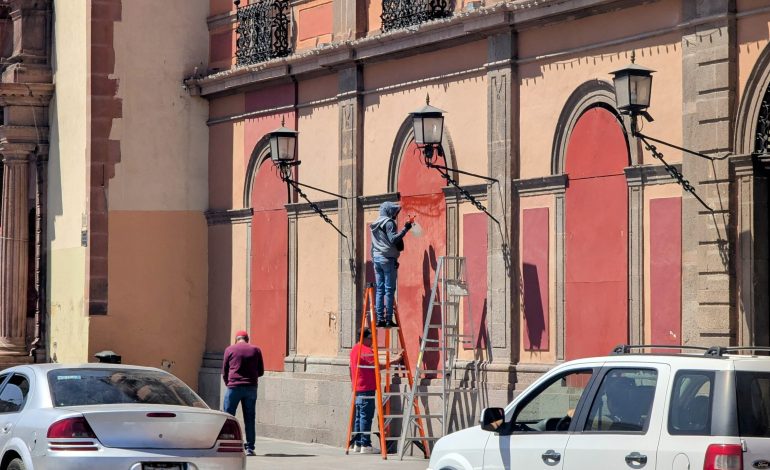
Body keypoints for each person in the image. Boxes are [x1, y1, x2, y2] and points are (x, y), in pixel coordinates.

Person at [349, 327, 401, 454]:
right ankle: (365, 444)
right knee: (365, 417)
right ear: (366, 338)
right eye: (371, 339)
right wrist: (394, 361)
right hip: (367, 387)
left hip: (358, 387)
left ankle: (357, 443)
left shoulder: (354, 349)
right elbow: (377, 366)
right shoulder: (366, 350)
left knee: (358, 416)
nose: (373, 341)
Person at [370, 201, 412, 328]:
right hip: (387, 259)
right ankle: (388, 319)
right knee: (389, 290)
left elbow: (375, 245)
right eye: (393, 212)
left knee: (380, 290)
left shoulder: (375, 224)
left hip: (377, 259)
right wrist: (406, 229)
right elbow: (393, 239)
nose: (394, 215)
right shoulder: (388, 223)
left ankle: (379, 319)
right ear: (389, 211)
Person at [222, 330, 265, 456]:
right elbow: (261, 371)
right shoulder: (256, 350)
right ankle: (250, 448)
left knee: (228, 417)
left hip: (233, 387)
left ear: (236, 339)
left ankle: (228, 444)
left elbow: (224, 371)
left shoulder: (229, 350)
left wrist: (228, 383)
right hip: (251, 387)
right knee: (250, 418)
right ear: (247, 339)